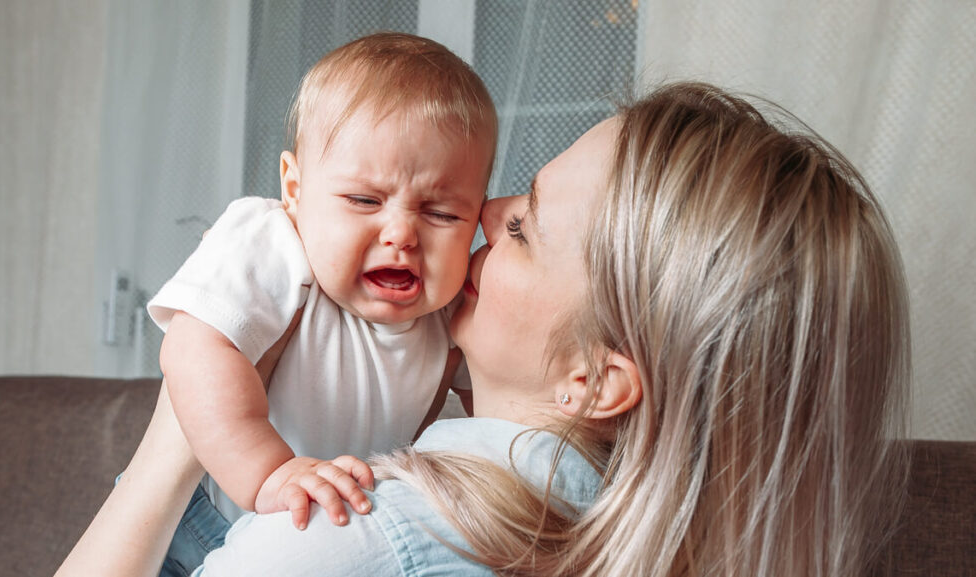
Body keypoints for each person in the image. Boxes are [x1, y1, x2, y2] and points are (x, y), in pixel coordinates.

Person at [58, 82, 910, 577]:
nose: (485, 212)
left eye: (525, 228)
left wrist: (177, 442)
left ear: (596, 378)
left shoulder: (350, 530)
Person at [143, 32, 496, 575]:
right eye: (363, 200)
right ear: (295, 188)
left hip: (327, 535)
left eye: (443, 214)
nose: (401, 233)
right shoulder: (274, 242)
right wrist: (269, 474)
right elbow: (194, 349)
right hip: (206, 517)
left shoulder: (452, 308)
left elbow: (499, 417)